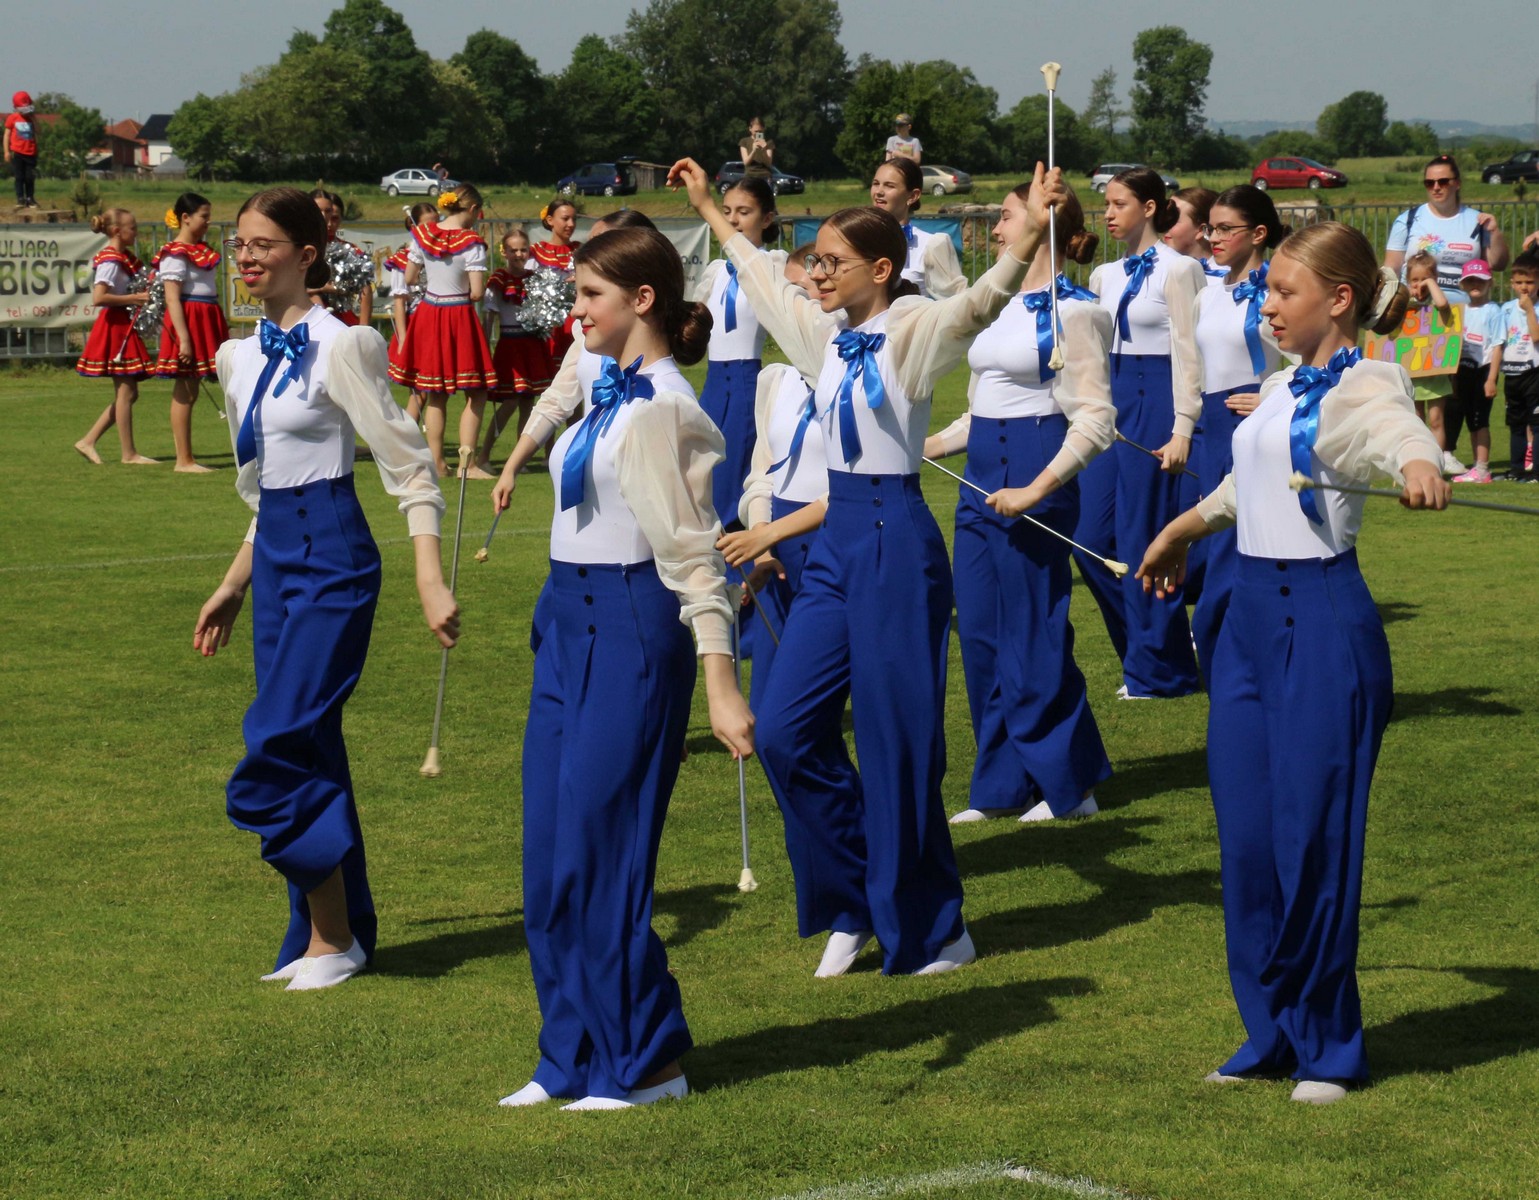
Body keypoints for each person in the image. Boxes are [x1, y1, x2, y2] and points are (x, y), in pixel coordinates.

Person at [670, 154, 1067, 978]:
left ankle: (933, 927)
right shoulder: (827, 336)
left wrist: (1023, 240)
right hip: (835, 548)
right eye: (812, 260)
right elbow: (764, 281)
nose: (813, 274)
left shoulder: (912, 331)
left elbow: (975, 303)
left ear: (880, 270)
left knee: (896, 745)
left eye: (832, 263)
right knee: (783, 732)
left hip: (894, 541)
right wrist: (712, 209)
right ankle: (855, 898)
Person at [1138, 221, 1446, 1106]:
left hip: (1321, 624)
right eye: (1266, 291)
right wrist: (1176, 532)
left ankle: (1327, 1047)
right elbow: (1244, 487)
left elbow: (1395, 431)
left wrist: (1421, 461)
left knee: (1313, 840)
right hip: (1243, 629)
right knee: (1248, 842)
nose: (1266, 306)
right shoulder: (1276, 387)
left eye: (1282, 292)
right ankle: (1267, 1029)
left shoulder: (1365, 381)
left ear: (1338, 301)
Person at [489, 225, 753, 1111]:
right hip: (563, 621)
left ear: (642, 302)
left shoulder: (663, 408)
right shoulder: (602, 380)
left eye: (590, 296)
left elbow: (693, 559)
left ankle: (644, 1063)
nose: (575, 311)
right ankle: (565, 1055)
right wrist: (525, 443)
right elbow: (566, 379)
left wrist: (721, 683)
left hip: (635, 623)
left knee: (605, 854)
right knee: (549, 856)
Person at [194, 186, 458, 991]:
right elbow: (261, 488)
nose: (246, 256)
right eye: (240, 243)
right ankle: (329, 937)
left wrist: (428, 576)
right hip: (274, 558)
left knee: (273, 745)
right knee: (310, 748)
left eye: (263, 243)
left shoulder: (347, 344)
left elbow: (412, 465)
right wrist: (235, 583)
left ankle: (333, 937)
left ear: (307, 255)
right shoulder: (235, 357)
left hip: (335, 558)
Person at [922, 180, 1115, 825]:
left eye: (1005, 216)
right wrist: (927, 442)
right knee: (978, 632)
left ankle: (1069, 784)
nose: (995, 228)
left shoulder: (1077, 313)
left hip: (1038, 469)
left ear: (1042, 223)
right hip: (981, 476)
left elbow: (1095, 419)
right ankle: (1003, 785)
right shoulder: (997, 303)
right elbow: (980, 411)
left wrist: (1036, 489)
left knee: (1032, 633)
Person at [1078, 166, 1204, 699]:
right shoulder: (1104, 274)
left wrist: (1183, 426)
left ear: (1150, 207)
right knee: (1088, 542)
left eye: (1119, 203)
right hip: (1112, 402)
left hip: (1160, 400)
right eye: (1105, 204)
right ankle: (1152, 653)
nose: (1108, 213)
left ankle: (1160, 672)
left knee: (1143, 537)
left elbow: (1189, 354)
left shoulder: (1180, 270)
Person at [717, 247, 831, 711]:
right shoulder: (776, 380)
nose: (791, 309)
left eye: (802, 293)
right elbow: (762, 474)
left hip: (832, 538)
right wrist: (762, 542)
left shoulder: (854, 373)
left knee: (810, 713)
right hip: (779, 551)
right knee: (768, 713)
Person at [1189, 185, 1286, 676]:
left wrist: (1270, 397)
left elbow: (1318, 363)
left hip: (1255, 425)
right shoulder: (1209, 293)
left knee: (1237, 545)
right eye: (1210, 227)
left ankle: (1215, 651)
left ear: (1260, 233)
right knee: (1215, 540)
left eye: (1226, 229)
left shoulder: (1281, 291)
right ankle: (1232, 654)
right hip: (1211, 427)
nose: (1213, 238)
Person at [489, 210, 660, 488]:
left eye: (600, 244)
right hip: (592, 474)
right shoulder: (586, 332)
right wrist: (512, 467)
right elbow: (557, 399)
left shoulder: (657, 339)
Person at [693, 176, 787, 528]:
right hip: (713, 385)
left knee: (736, 482)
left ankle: (745, 570)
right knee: (705, 477)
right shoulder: (716, 272)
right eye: (727, 211)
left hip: (747, 382)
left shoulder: (771, 264)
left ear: (767, 218)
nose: (732, 220)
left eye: (744, 212)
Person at [399, 184, 497, 479]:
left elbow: (409, 277)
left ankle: (438, 463)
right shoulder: (472, 242)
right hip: (458, 314)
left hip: (429, 311)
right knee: (476, 390)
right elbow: (477, 292)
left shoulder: (423, 234)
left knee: (436, 392)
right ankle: (468, 466)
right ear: (471, 210)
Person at [152, 192, 229, 473]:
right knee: (185, 389)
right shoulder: (175, 252)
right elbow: (172, 298)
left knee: (193, 390)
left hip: (206, 316)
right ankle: (183, 459)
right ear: (186, 218)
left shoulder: (201, 249)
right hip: (190, 321)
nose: (208, 222)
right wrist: (184, 338)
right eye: (203, 216)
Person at [74, 209, 157, 465]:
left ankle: (88, 441)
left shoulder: (124, 257)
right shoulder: (111, 260)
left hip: (122, 323)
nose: (136, 232)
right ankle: (128, 454)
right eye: (132, 228)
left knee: (129, 392)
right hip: (114, 325)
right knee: (126, 391)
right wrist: (134, 298)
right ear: (116, 231)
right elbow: (99, 297)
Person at [1384, 153, 1509, 306]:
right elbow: (1391, 271)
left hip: (1464, 311)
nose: (1436, 187)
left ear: (1457, 184)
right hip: (1415, 313)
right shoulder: (1406, 220)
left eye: (1443, 182)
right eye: (1429, 183)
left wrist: (1495, 233)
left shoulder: (1478, 220)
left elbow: (1498, 264)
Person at [476, 226, 553, 472]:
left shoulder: (536, 278)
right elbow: (489, 318)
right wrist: (484, 352)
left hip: (532, 343)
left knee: (528, 404)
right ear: (504, 252)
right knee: (509, 402)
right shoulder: (498, 279)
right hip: (510, 346)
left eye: (523, 249)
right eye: (513, 250)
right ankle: (483, 457)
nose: (519, 254)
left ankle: (520, 460)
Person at [869, 158, 965, 300]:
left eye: (889, 186)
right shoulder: (858, 240)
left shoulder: (931, 245)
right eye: (876, 184)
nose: (879, 192)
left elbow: (955, 303)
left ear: (913, 196)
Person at [1402, 250, 1461, 474]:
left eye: (1423, 279)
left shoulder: (1434, 300)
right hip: (1413, 375)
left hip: (1434, 375)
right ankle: (1417, 463)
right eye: (1414, 280)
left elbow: (1443, 303)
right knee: (1416, 420)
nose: (1419, 285)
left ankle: (1437, 465)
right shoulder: (1406, 301)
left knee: (1436, 420)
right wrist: (1410, 290)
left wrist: (1430, 284)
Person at [1450, 260, 1503, 484]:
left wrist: (1491, 378)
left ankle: (1482, 468)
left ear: (1489, 282)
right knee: (1471, 419)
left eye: (1480, 280)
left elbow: (1498, 346)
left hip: (1483, 371)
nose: (1475, 284)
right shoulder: (1459, 311)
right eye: (1470, 280)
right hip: (1464, 371)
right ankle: (1476, 466)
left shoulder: (1493, 311)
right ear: (1462, 284)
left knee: (1480, 421)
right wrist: (1453, 377)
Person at [385, 203, 437, 422]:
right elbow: (400, 301)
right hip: (417, 326)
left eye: (437, 222)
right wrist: (404, 339)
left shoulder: (439, 254)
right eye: (427, 224)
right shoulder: (403, 259)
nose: (434, 228)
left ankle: (408, 439)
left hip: (437, 322)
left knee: (431, 390)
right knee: (421, 391)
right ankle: (405, 438)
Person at [1498, 250, 1539, 481]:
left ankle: (1536, 471)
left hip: (1534, 373)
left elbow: (1536, 336)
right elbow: (1500, 342)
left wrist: (1530, 310)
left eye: (1530, 282)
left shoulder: (1537, 308)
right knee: (1515, 424)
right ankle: (1516, 469)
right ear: (1512, 283)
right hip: (1512, 374)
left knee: (1536, 424)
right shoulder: (1505, 309)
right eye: (1520, 282)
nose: (1525, 287)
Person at [309, 188, 374, 328]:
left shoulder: (349, 250)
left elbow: (366, 290)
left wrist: (364, 329)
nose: (328, 221)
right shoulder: (298, 246)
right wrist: (325, 288)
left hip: (344, 320)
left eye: (332, 215)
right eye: (319, 210)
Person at [534, 198, 580, 366]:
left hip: (575, 319)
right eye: (565, 218)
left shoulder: (580, 250)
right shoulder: (537, 252)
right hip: (547, 323)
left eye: (574, 219)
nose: (571, 224)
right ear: (550, 220)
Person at [1165, 186, 1225, 284]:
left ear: (1202, 230)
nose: (1165, 224)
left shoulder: (1223, 280)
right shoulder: (1160, 269)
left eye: (1174, 219)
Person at [5, 90, 38, 208]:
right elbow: (7, 135)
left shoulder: (30, 119)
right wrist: (6, 151)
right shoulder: (12, 118)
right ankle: (20, 198)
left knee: (30, 177)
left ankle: (30, 198)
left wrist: (34, 118)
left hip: (31, 153)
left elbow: (37, 132)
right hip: (17, 152)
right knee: (19, 177)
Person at [739, 116, 775, 181]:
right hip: (750, 175)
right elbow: (746, 162)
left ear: (763, 129)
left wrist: (764, 149)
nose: (758, 133)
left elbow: (768, 163)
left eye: (760, 131)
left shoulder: (769, 142)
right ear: (750, 129)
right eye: (756, 131)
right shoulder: (744, 141)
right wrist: (753, 150)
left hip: (765, 176)